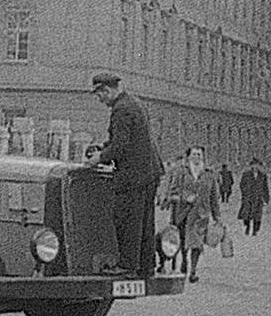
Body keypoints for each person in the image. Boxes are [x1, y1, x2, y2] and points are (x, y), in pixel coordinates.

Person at [86, 72, 161, 278]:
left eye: (99, 95)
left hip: (133, 175)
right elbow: (128, 139)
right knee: (145, 222)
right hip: (149, 172)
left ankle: (127, 267)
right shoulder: (134, 103)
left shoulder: (121, 109)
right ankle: (146, 267)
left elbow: (121, 145)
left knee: (127, 220)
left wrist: (99, 158)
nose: (100, 99)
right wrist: (103, 148)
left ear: (107, 90)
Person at [162, 146, 221, 283]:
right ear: (188, 157)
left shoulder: (209, 174)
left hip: (201, 215)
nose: (197, 157)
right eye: (194, 154)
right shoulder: (181, 172)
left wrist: (217, 217)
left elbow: (214, 198)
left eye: (199, 155)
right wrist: (184, 198)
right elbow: (173, 193)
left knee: (197, 243)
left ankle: (193, 270)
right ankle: (184, 261)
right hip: (183, 213)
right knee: (182, 241)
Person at [238, 157, 269, 236]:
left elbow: (265, 187)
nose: (255, 167)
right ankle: (247, 228)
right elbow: (242, 184)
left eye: (257, 165)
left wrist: (266, 198)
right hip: (248, 197)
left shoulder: (262, 175)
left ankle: (255, 230)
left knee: (257, 215)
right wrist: (245, 193)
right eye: (254, 165)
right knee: (247, 214)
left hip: (258, 197)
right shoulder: (246, 174)